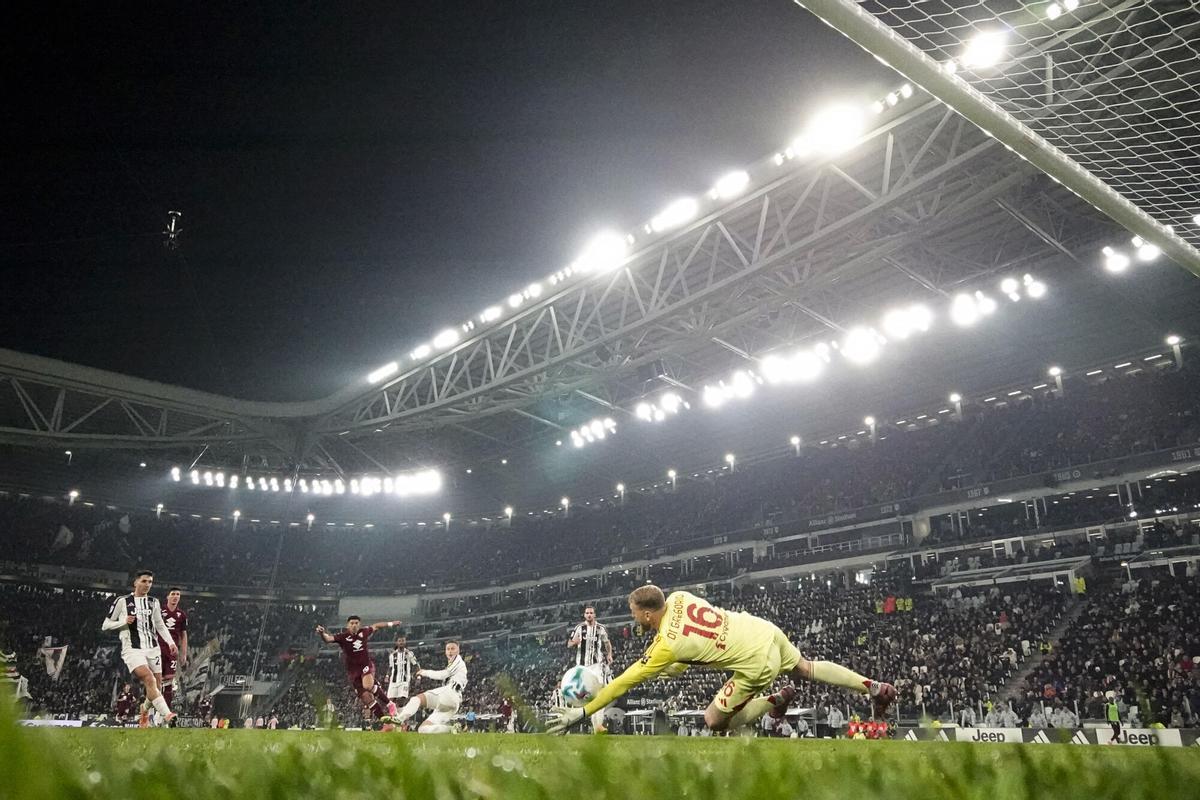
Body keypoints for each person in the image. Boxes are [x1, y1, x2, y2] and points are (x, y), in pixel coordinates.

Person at [547, 586, 895, 735]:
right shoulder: (680, 597)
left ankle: (775, 699)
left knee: (714, 720)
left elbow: (622, 682)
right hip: (761, 628)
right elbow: (688, 655)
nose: (635, 619)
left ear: (650, 614)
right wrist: (668, 668)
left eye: (636, 614)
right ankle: (873, 687)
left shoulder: (665, 643)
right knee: (806, 667)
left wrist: (580, 713)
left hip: (755, 662)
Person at [101, 570, 178, 726]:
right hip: (132, 649)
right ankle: (168, 715)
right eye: (144, 581)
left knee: (156, 687)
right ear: (135, 582)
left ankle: (144, 707)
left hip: (153, 648)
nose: (147, 585)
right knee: (148, 678)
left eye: (150, 582)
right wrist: (123, 622)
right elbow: (105, 625)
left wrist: (170, 642)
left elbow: (160, 625)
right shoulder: (122, 601)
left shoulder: (153, 602)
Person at [316, 615, 401, 720]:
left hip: (365, 665)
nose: (354, 625)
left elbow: (376, 626)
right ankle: (385, 721)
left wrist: (391, 623)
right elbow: (328, 639)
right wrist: (321, 633)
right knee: (367, 698)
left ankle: (389, 704)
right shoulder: (342, 637)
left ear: (359, 624)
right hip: (353, 672)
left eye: (356, 623)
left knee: (367, 686)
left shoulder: (364, 632)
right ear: (348, 625)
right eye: (352, 623)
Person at [385, 641, 468, 734]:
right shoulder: (452, 664)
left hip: (450, 693)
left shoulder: (458, 660)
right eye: (448, 649)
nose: (450, 651)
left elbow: (443, 675)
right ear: (445, 651)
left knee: (417, 699)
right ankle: (453, 729)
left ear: (458, 650)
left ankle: (399, 719)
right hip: (453, 704)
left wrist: (424, 672)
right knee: (423, 729)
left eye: (453, 649)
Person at [568, 605, 615, 733]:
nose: (589, 615)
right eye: (587, 613)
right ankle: (569, 723)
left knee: (599, 696)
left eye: (591, 613)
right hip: (582, 667)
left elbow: (607, 643)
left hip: (596, 666)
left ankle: (598, 726)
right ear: (584, 615)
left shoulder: (601, 629)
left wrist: (609, 654)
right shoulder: (579, 628)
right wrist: (574, 643)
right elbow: (569, 643)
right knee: (579, 697)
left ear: (595, 615)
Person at [157, 587, 188, 710]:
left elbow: (184, 635)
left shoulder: (182, 615)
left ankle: (166, 714)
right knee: (156, 681)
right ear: (167, 596)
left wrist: (183, 653)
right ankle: (151, 710)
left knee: (169, 682)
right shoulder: (159, 611)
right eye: (173, 594)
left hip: (172, 652)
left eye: (178, 594)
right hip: (158, 649)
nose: (175, 596)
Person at [385, 635, 420, 714]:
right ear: (397, 642)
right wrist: (387, 676)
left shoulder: (409, 653)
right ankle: (393, 719)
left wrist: (418, 676)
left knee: (401, 700)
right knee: (390, 702)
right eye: (400, 641)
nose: (401, 642)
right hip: (393, 681)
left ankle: (400, 720)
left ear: (405, 642)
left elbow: (416, 665)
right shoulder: (392, 655)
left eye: (403, 641)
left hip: (404, 680)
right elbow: (390, 667)